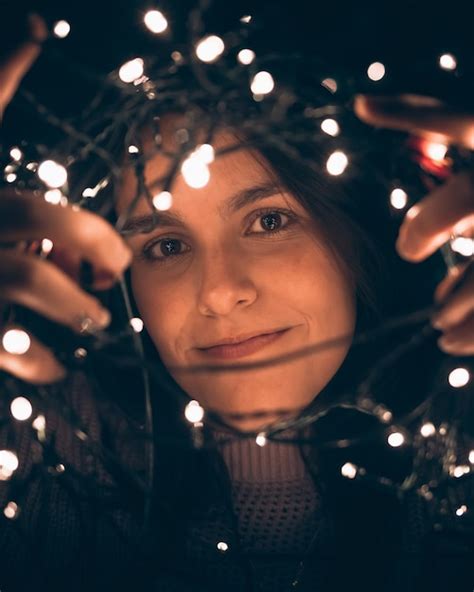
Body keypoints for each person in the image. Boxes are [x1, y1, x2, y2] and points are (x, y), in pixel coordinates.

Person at [0, 14, 473, 592]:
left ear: (357, 236)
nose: (221, 293)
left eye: (269, 220)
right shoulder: (41, 450)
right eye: (166, 245)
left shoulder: (459, 458)